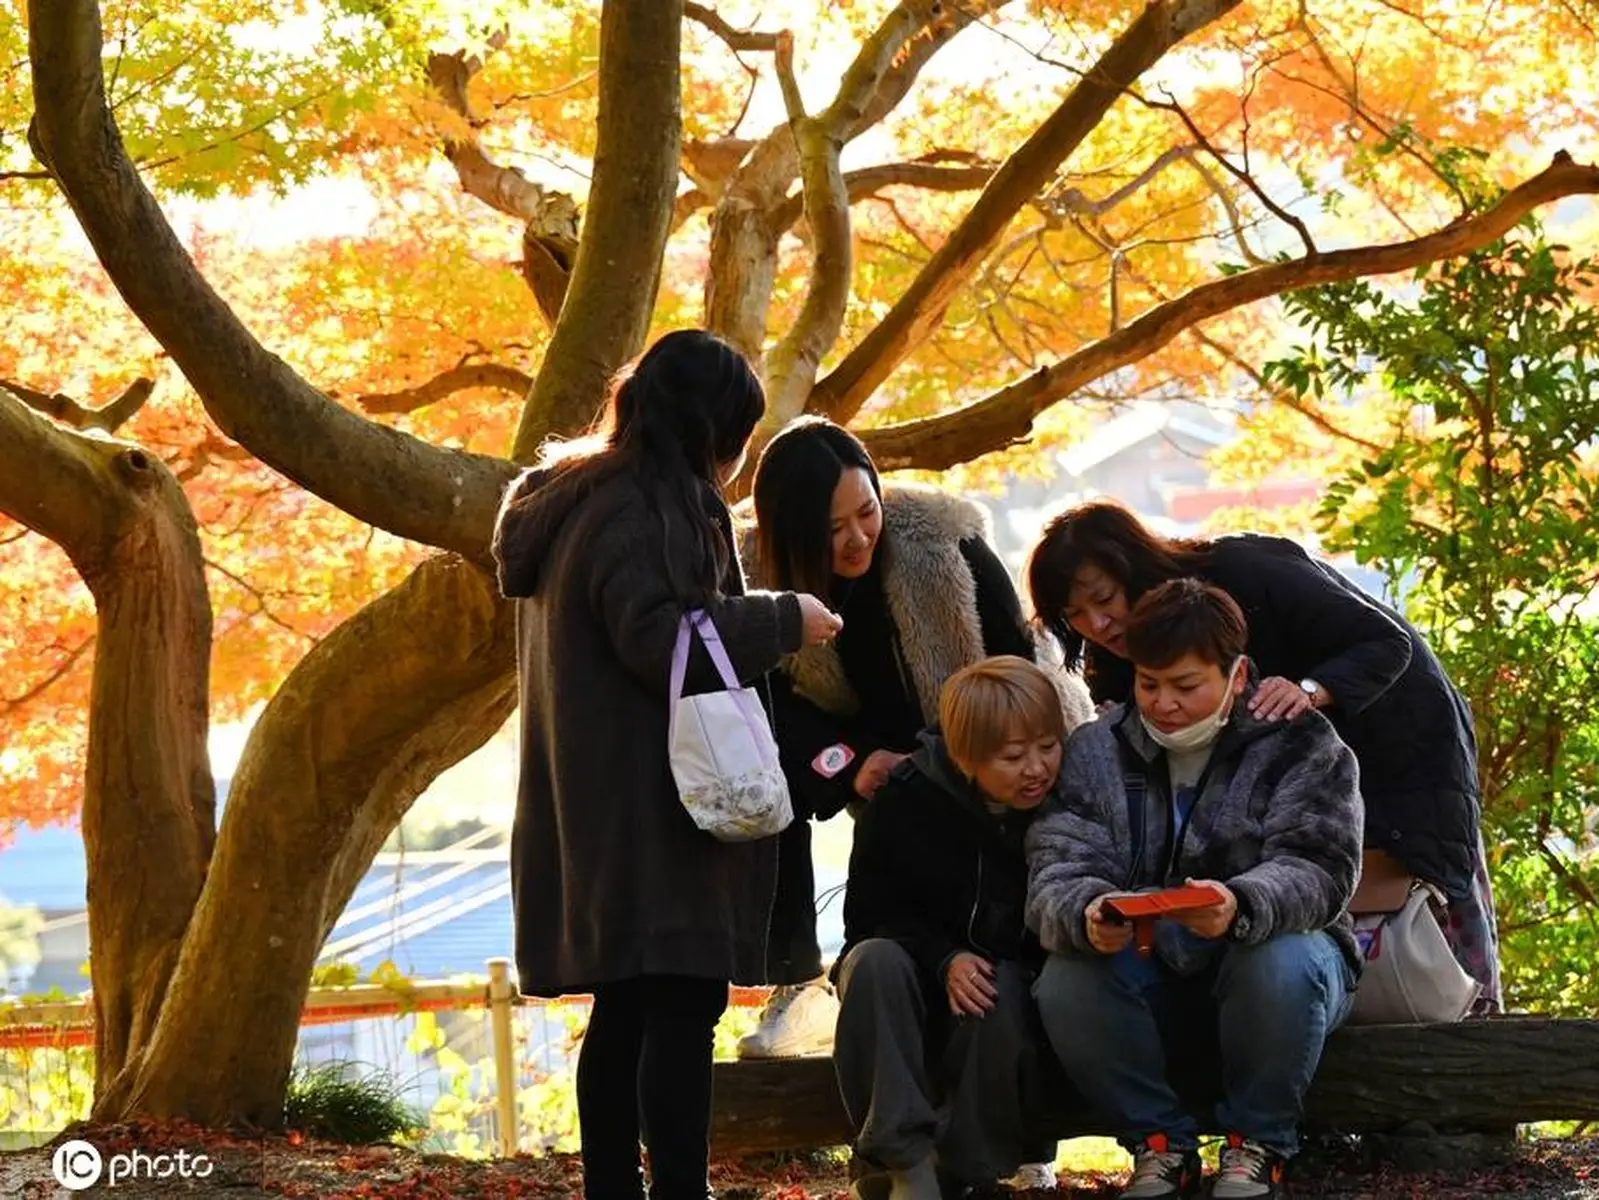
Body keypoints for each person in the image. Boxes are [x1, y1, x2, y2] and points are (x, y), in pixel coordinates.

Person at [491, 330, 841, 1200]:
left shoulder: (571, 494)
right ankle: (679, 1188)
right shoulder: (652, 504)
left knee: (626, 1009)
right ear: (707, 424)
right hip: (657, 803)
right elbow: (663, 639)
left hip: (589, 798)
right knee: (681, 1007)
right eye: (736, 434)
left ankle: (615, 1187)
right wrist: (782, 618)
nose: (735, 458)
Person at [1025, 500, 1499, 1012]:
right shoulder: (1116, 660)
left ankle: (1465, 1017)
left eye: (1104, 598)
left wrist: (1312, 690)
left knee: (1413, 908)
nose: (1099, 624)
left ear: (1135, 564)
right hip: (1280, 798)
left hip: (1397, 743)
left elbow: (1385, 641)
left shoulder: (1245, 571)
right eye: (1075, 615)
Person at [736, 417, 1092, 1072]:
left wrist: (974, 761)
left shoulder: (943, 545)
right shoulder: (757, 584)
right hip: (872, 754)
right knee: (765, 790)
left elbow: (1014, 670)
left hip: (998, 741)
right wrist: (849, 766)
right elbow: (773, 708)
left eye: (865, 513)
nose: (855, 539)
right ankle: (795, 980)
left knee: (996, 906)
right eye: (831, 528)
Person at [1027, 580, 1362, 1200]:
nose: (1163, 704)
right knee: (1066, 976)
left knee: (1278, 958)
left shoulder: (1303, 741)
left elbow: (1321, 868)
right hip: (1152, 968)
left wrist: (1240, 904)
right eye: (1148, 684)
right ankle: (1159, 1146)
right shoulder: (1096, 749)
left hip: (1284, 964)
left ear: (1237, 676)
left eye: (1186, 686)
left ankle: (1259, 1145)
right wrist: (1089, 913)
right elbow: (1056, 866)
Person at [836, 656, 1066, 1199]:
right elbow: (869, 917)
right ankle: (904, 1160)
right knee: (873, 962)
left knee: (998, 989)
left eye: (1049, 746)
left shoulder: (1067, 800)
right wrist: (943, 958)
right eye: (1013, 757)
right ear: (965, 758)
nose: (1036, 768)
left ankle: (963, 1168)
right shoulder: (907, 796)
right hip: (915, 972)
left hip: (1007, 989)